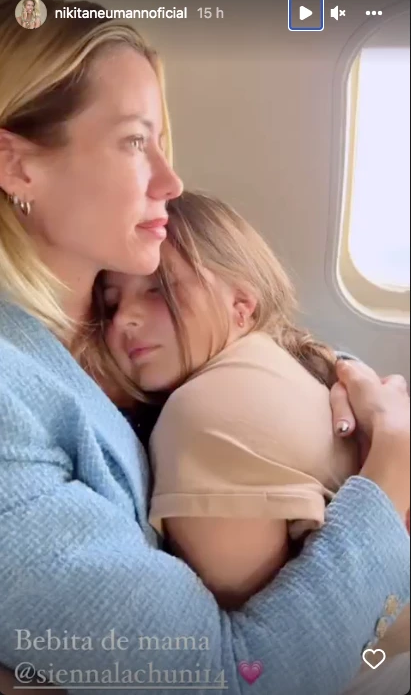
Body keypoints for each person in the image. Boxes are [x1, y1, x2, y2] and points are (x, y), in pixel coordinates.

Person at [0, 0, 409, 695]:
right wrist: (389, 472)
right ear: (17, 168)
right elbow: (228, 680)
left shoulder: (94, 313)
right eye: (135, 141)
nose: (171, 180)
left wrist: (344, 379)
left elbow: (229, 331)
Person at [98, 191, 410, 655]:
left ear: (241, 303)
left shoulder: (203, 417)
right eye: (109, 305)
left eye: (159, 288)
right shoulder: (292, 359)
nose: (124, 319)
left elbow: (274, 659)